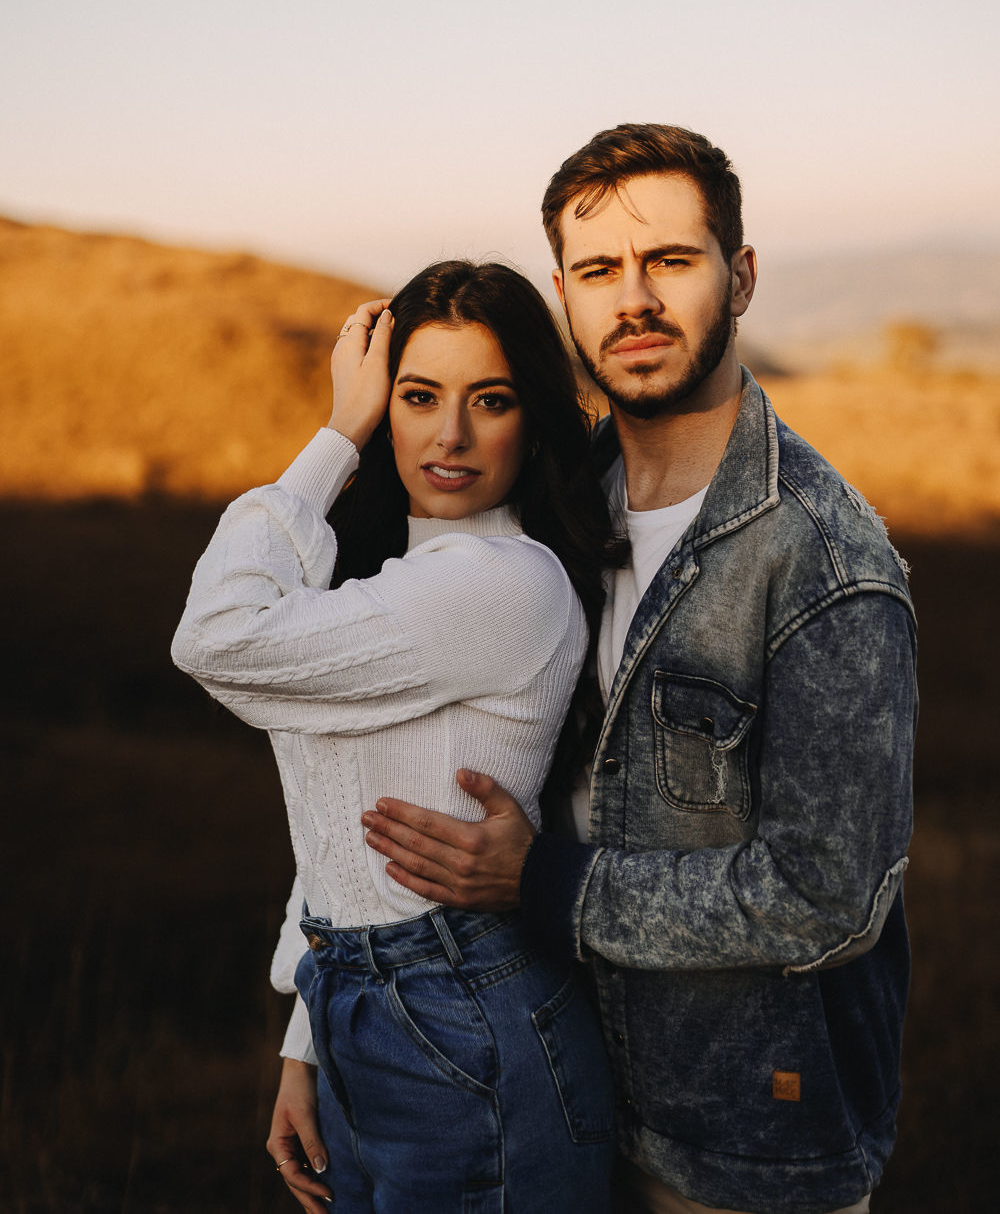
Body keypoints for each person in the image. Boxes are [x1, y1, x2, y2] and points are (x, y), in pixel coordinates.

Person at [360, 126, 917, 1214]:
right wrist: (313, 1030)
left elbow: (827, 896)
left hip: (736, 1149)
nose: (635, 300)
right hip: (547, 1098)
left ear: (740, 276)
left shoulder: (825, 562)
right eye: (600, 271)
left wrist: (541, 884)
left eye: (669, 260)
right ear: (564, 295)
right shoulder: (554, 508)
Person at [171, 260, 621, 1214]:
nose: (449, 436)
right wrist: (309, 1037)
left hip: (472, 1027)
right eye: (418, 397)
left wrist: (339, 433)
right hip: (362, 1012)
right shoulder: (387, 578)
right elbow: (339, 822)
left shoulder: (504, 583)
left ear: (532, 418)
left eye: (489, 401)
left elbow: (213, 635)